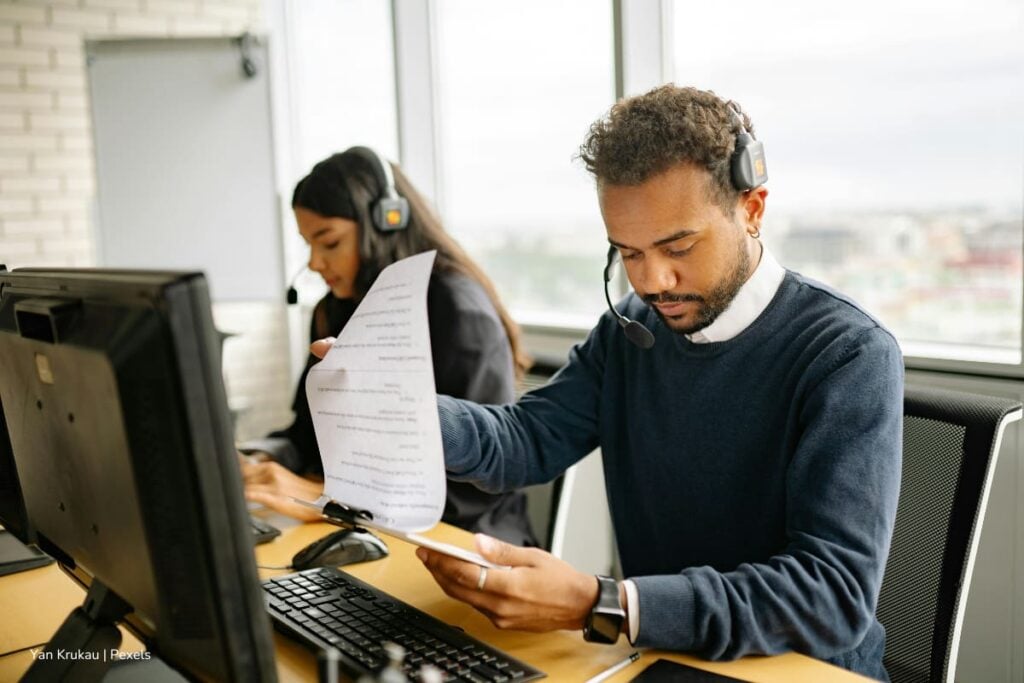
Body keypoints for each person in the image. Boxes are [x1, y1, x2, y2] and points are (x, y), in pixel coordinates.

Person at [315, 87, 901, 680]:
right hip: (664, 658)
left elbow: (833, 597)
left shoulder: (847, 354)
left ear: (752, 209)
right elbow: (526, 438)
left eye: (678, 247)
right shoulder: (631, 332)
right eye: (628, 252)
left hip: (799, 669)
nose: (653, 281)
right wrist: (402, 406)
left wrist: (607, 604)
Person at [241, 147, 537, 546]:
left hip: (464, 541)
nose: (313, 263)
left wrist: (326, 499)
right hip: (368, 531)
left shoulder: (458, 310)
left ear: (386, 223)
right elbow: (305, 437)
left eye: (328, 242)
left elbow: (474, 490)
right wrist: (259, 459)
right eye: (307, 244)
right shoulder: (335, 310)